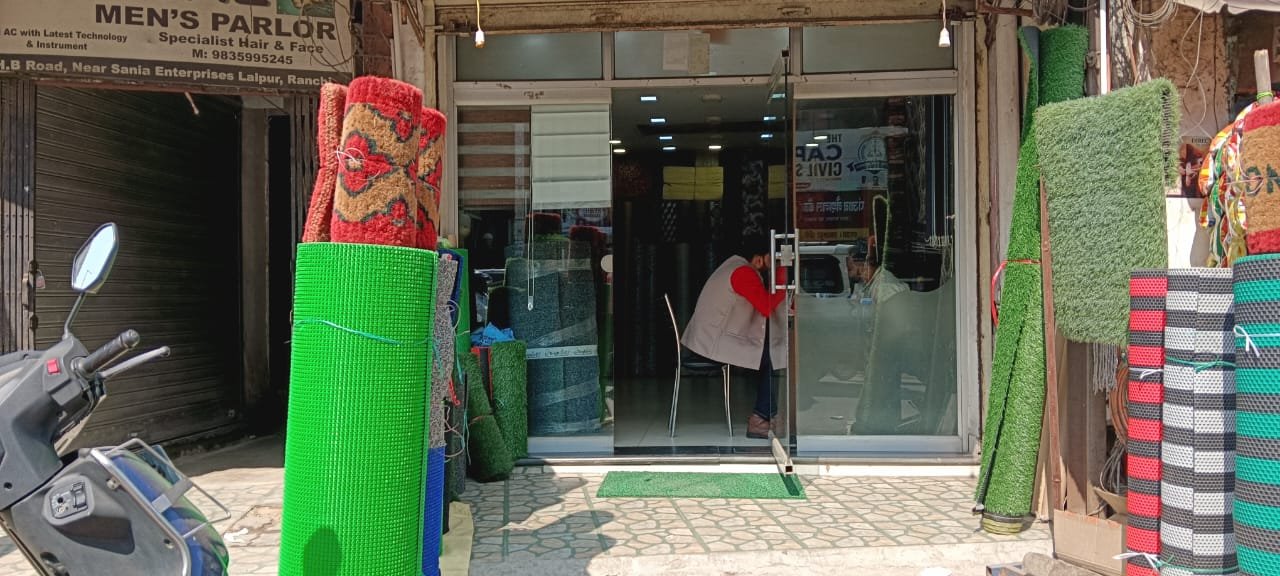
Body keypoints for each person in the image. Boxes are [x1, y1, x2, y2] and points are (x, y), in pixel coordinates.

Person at [684, 236, 787, 439]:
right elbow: (766, 306)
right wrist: (783, 277)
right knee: (769, 358)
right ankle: (760, 418)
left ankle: (768, 414)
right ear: (759, 259)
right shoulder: (743, 273)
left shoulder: (735, 265)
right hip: (711, 344)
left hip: (709, 338)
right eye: (772, 259)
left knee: (767, 354)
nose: (772, 265)